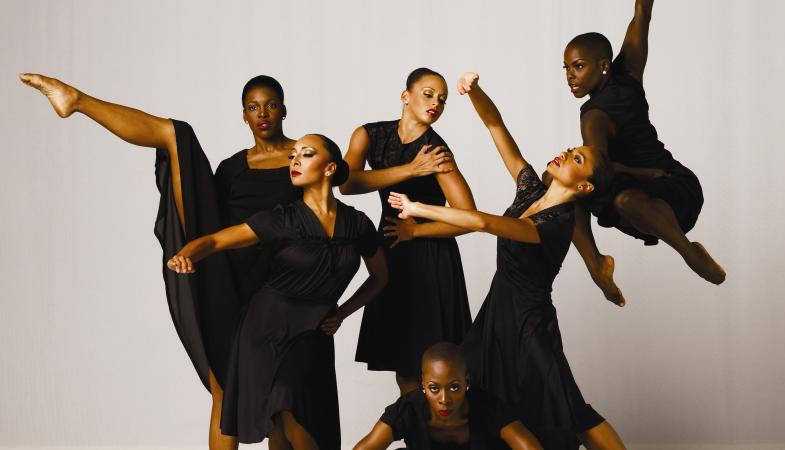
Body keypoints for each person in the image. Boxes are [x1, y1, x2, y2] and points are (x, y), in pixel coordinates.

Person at [19, 73, 302, 449]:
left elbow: (335, 202)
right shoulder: (232, 168)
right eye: (253, 107)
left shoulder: (306, 157)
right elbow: (207, 212)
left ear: (284, 109)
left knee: (280, 399)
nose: (262, 113)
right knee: (225, 387)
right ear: (244, 116)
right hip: (226, 278)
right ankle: (77, 100)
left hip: (278, 286)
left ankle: (77, 100)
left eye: (270, 105)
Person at [387, 72, 626, 449]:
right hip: (496, 314)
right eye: (570, 148)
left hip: (530, 322)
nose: (566, 153)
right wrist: (475, 92)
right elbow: (496, 127)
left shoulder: (556, 224)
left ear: (584, 186)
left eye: (577, 158)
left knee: (570, 408)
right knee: (476, 391)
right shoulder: (531, 188)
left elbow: (482, 222)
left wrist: (418, 208)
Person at [167, 134, 388, 449]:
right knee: (285, 406)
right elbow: (216, 241)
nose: (295, 160)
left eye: (307, 154)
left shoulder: (358, 225)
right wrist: (187, 253)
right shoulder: (281, 219)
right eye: (293, 155)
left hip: (314, 333)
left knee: (292, 420)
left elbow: (380, 277)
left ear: (329, 168)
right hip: (265, 329)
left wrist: (342, 312)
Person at [563, 0, 725, 306]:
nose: (570, 76)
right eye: (567, 68)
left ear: (604, 66)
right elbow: (602, 169)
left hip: (675, 189)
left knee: (620, 198)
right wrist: (639, 173)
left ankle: (691, 253)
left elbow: (643, 12)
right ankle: (596, 265)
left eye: (579, 66)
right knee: (564, 191)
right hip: (637, 198)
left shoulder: (613, 92)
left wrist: (643, 174)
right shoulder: (611, 94)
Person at [341, 68, 475, 394]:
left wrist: (416, 231)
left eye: (442, 99)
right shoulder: (368, 134)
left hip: (430, 254)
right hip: (391, 253)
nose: (436, 104)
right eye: (428, 94)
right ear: (406, 96)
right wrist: (410, 170)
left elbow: (469, 217)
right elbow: (346, 183)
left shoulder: (436, 150)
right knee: (404, 367)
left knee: (437, 367)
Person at [354, 342, 543, 450]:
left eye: (454, 387)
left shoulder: (488, 407)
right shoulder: (408, 409)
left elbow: (528, 446)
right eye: (434, 388)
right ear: (423, 385)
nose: (444, 400)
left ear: (466, 382)